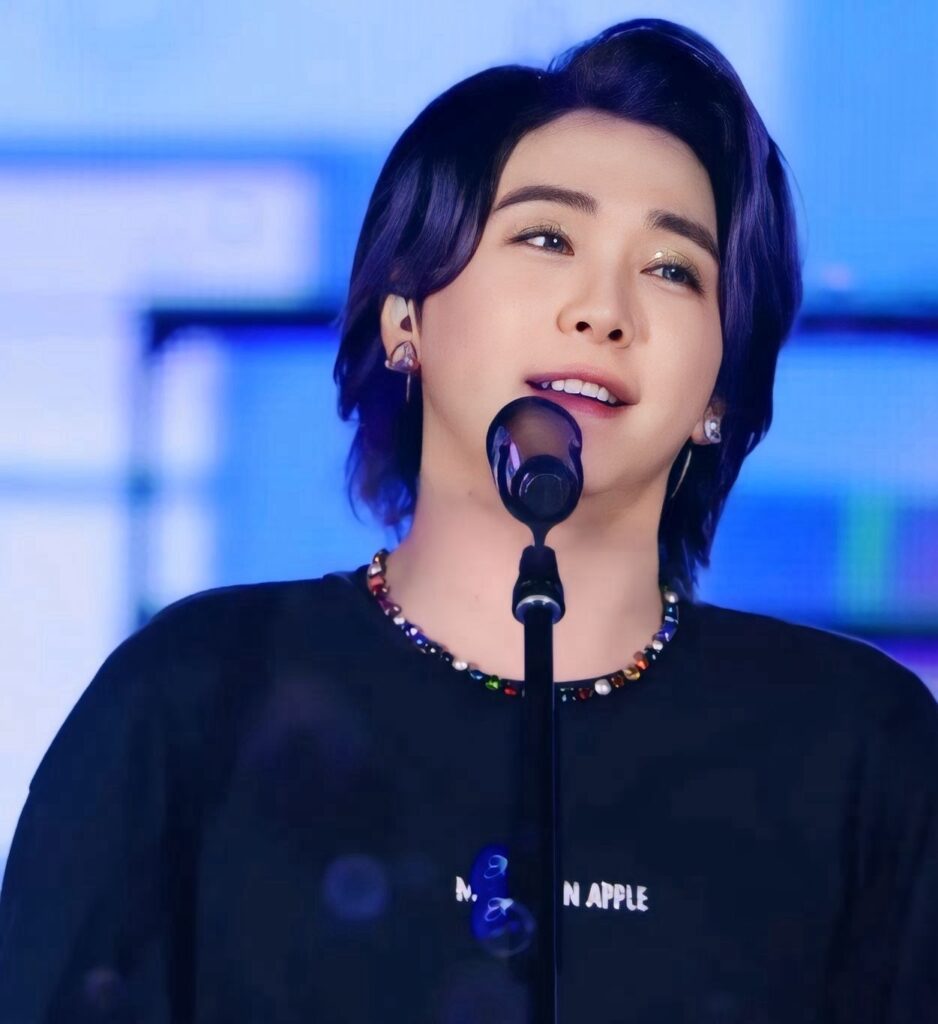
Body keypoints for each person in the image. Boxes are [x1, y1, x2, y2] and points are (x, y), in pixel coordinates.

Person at [1, 16, 936, 1024]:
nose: (603, 310)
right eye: (546, 238)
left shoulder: (858, 747)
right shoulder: (196, 694)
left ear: (720, 387)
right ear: (404, 317)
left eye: (672, 269)